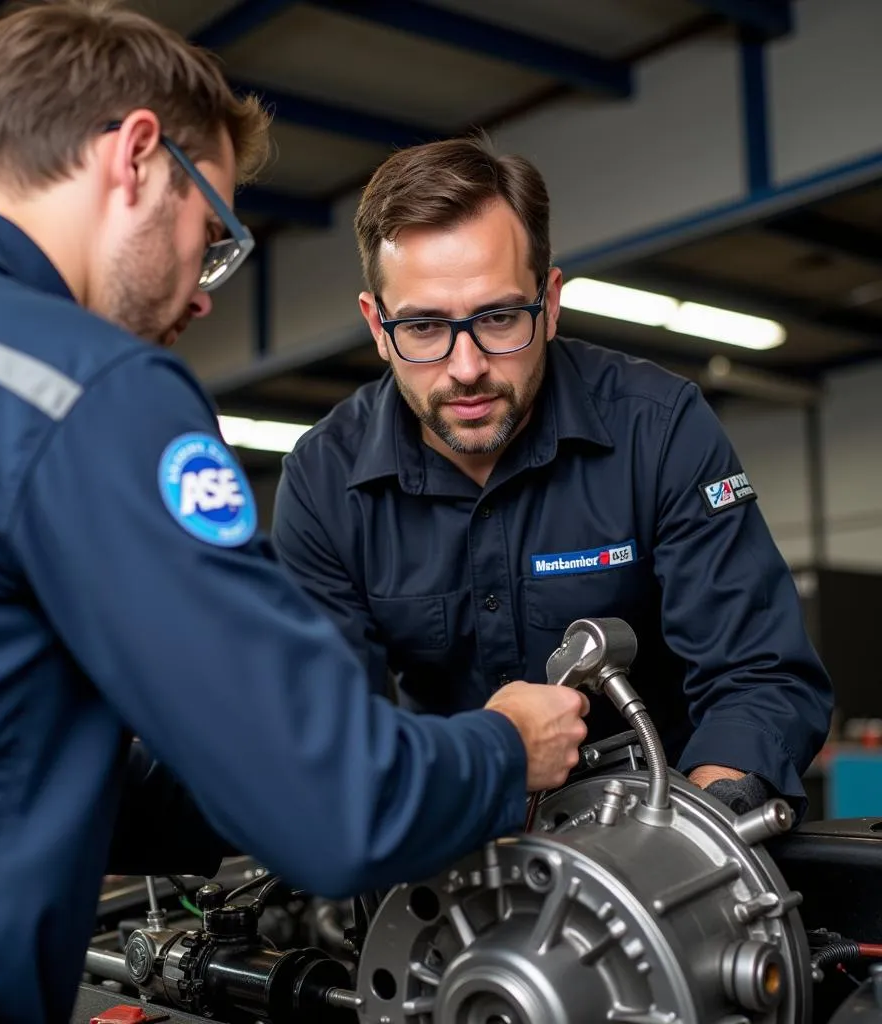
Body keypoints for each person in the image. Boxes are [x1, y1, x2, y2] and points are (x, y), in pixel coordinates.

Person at [0, 6, 592, 1023]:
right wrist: (501, 748)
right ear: (137, 158)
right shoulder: (85, 388)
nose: (202, 295)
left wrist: (234, 763)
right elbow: (333, 806)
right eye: (211, 234)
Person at [272, 134, 834, 823]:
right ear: (378, 326)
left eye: (500, 317)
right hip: (451, 856)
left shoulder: (658, 429)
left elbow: (760, 676)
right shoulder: (324, 481)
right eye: (422, 327)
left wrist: (688, 841)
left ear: (552, 300)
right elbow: (328, 738)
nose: (467, 366)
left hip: (666, 828)